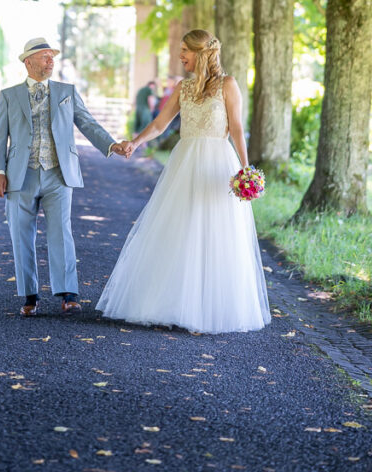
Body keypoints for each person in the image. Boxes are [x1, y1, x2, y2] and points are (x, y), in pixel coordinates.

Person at [96, 29, 270, 334]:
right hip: (185, 162)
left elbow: (238, 129)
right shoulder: (182, 87)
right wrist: (135, 143)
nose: (180, 57)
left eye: (185, 51)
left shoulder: (228, 85)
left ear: (201, 53)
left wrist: (246, 170)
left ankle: (209, 309)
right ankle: (172, 303)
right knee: (181, 229)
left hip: (218, 164)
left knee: (216, 233)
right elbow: (160, 124)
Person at [0, 36, 129, 317]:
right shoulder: (9, 95)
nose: (50, 60)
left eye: (52, 56)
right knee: (21, 235)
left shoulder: (67, 90)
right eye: (44, 56)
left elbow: (87, 122)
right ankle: (30, 296)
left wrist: (111, 144)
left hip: (59, 172)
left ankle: (69, 293)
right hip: (21, 174)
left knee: (61, 233)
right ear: (28, 62)